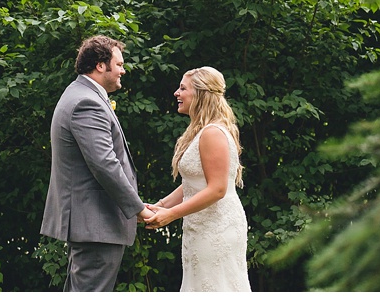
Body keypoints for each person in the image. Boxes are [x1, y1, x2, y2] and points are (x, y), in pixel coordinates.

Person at [40, 35, 154, 291]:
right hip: (96, 222)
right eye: (120, 64)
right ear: (101, 65)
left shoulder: (80, 93)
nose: (123, 70)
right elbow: (104, 164)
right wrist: (138, 209)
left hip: (92, 223)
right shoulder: (86, 102)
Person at [143, 67, 251, 292]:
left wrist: (170, 215)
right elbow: (193, 183)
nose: (176, 93)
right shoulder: (201, 132)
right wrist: (159, 207)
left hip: (217, 227)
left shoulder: (212, 133)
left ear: (201, 93)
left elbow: (217, 189)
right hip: (200, 226)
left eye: (183, 88)